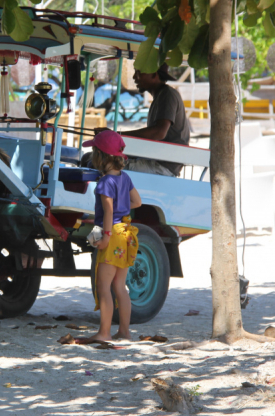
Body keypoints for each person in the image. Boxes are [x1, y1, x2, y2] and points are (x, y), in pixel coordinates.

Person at [81, 129, 142, 343]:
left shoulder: (105, 182)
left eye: (94, 151)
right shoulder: (125, 178)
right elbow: (138, 202)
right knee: (120, 286)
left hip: (112, 234)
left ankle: (104, 333)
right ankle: (124, 332)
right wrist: (121, 209)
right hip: (125, 233)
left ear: (101, 156)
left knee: (103, 286)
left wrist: (105, 236)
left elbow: (107, 211)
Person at [119, 63, 191, 177]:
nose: (134, 77)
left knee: (100, 164)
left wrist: (118, 136)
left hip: (161, 167)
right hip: (156, 160)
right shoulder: (161, 95)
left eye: (139, 73)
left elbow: (159, 132)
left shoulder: (167, 94)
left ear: (154, 74)